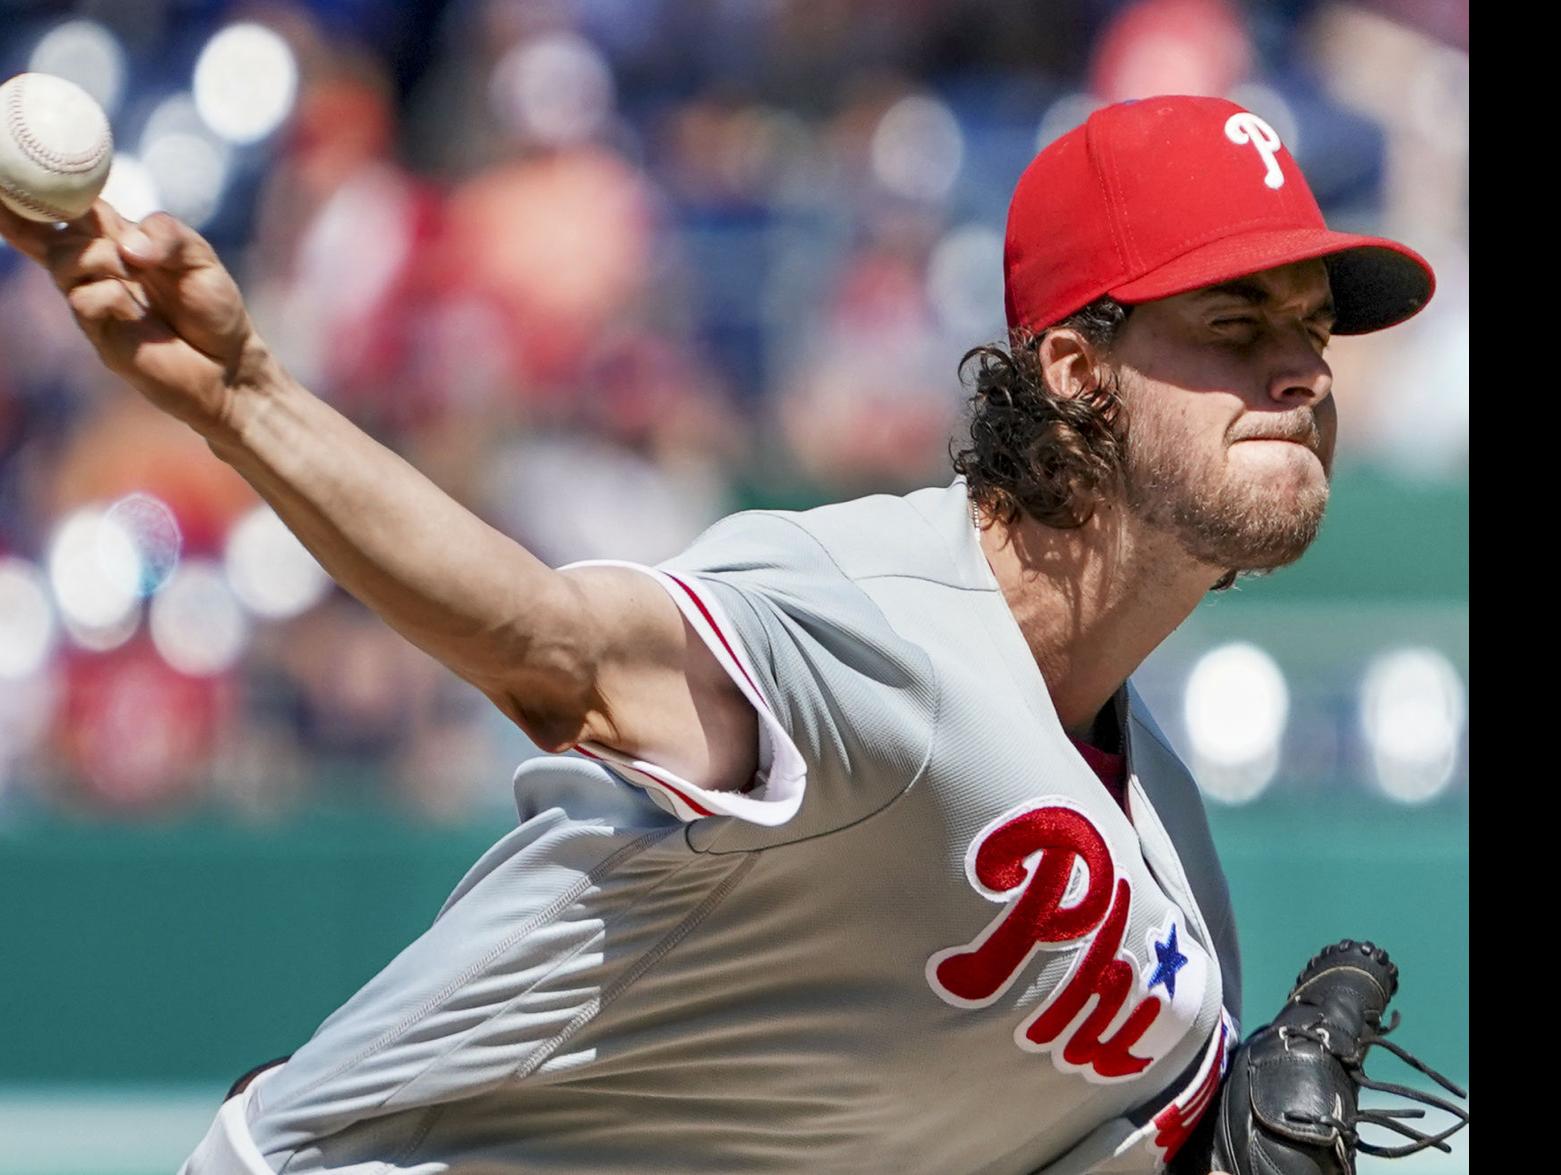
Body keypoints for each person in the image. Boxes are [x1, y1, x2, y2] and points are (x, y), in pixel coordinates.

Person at [0, 95, 1435, 1174]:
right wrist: (247, 398)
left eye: (1313, 324)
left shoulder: (1177, 895)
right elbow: (557, 654)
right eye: (1236, 318)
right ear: (1077, 371)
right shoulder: (877, 617)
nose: (1302, 367)